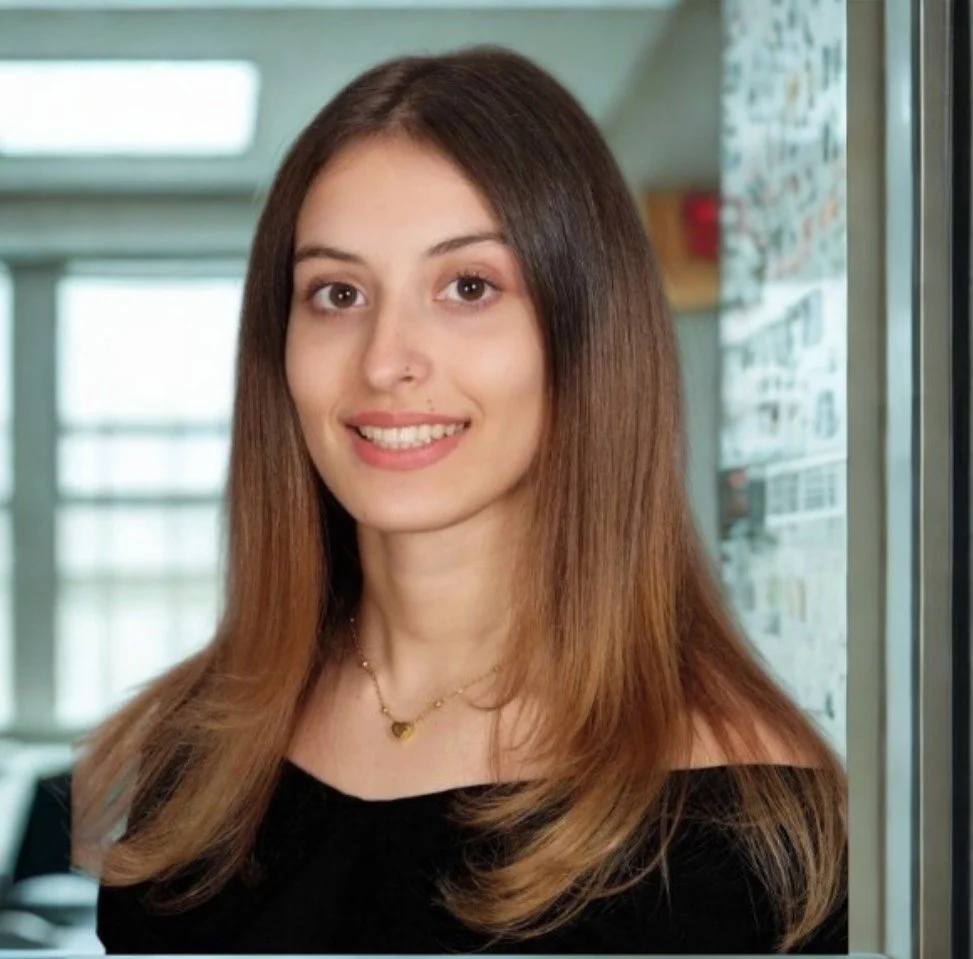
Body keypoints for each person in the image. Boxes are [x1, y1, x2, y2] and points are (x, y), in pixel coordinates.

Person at [73, 45, 848, 955]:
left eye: (468, 286)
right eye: (336, 292)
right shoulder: (196, 750)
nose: (384, 357)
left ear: (584, 334)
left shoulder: (742, 812)